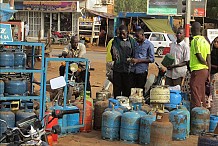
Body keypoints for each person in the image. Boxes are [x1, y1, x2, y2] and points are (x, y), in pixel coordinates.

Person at [189, 22, 211, 108]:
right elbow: (209, 57)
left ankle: (197, 110)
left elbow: (199, 56)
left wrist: (204, 64)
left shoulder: (195, 41)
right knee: (201, 90)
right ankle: (203, 109)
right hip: (205, 70)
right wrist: (208, 70)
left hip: (198, 69)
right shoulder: (206, 41)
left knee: (194, 88)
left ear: (192, 30)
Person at [111, 25, 136, 98]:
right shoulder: (116, 41)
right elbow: (114, 51)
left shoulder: (132, 41)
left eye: (123, 33)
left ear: (127, 32)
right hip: (118, 68)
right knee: (117, 88)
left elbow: (134, 53)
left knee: (127, 88)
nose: (122, 35)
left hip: (128, 69)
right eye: (120, 33)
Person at [129, 28, 155, 92]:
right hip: (133, 70)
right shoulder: (135, 44)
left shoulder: (149, 45)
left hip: (142, 71)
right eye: (136, 37)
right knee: (131, 89)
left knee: (140, 90)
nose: (137, 38)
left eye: (138, 37)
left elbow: (152, 59)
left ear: (142, 35)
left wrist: (138, 61)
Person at [210, 36, 218, 113]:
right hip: (213, 74)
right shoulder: (213, 52)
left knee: (215, 95)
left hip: (216, 75)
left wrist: (210, 65)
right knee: (213, 94)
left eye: (217, 42)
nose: (215, 43)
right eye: (215, 42)